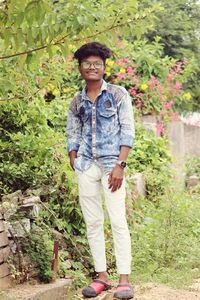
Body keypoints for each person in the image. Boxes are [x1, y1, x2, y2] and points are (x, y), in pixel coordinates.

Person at [67, 42, 134, 299]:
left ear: (104, 67)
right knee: (93, 222)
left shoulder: (118, 95)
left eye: (97, 63)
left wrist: (120, 164)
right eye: (87, 64)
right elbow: (72, 130)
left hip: (111, 166)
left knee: (117, 219)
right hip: (86, 165)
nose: (92, 67)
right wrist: (73, 155)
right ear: (80, 68)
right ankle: (102, 277)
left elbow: (127, 131)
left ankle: (124, 279)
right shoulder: (77, 100)